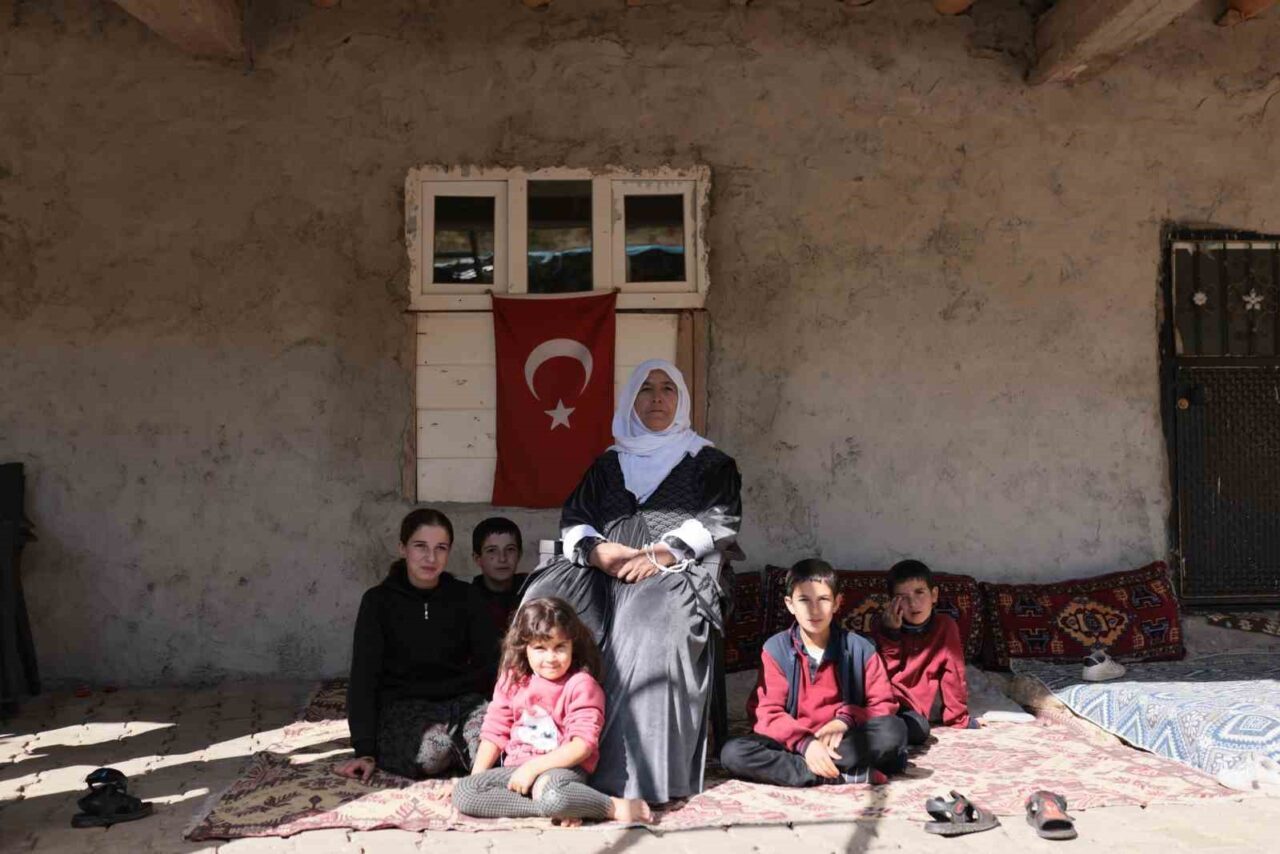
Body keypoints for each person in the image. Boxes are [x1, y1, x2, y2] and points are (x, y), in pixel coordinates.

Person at [521, 358, 742, 804]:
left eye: (667, 389)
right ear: (630, 400)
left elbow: (721, 519)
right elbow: (576, 518)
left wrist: (663, 552)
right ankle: (534, 752)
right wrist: (596, 551)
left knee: (647, 621)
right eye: (646, 389)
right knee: (546, 604)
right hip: (604, 567)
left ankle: (628, 775)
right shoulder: (608, 464)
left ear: (681, 400)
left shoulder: (709, 462)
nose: (657, 398)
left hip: (675, 567)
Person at [452, 598, 651, 825]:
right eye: (540, 648)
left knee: (554, 793)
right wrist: (477, 778)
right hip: (517, 769)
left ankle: (611, 807)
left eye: (560, 647)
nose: (550, 658)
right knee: (465, 793)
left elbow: (582, 745)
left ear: (573, 645)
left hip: (561, 770)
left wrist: (533, 768)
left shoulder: (581, 684)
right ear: (524, 647)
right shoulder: (513, 679)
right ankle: (558, 809)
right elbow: (495, 731)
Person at [336, 508, 499, 782]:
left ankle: (466, 756)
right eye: (420, 546)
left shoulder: (467, 597)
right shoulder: (378, 602)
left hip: (461, 702)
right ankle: (453, 751)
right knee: (432, 751)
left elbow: (491, 662)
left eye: (440, 548)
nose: (431, 558)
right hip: (404, 706)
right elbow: (364, 677)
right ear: (403, 548)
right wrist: (364, 750)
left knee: (493, 749)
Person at [719, 559, 907, 787]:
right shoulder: (776, 649)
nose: (814, 610)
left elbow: (884, 704)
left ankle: (808, 770)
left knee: (894, 730)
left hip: (843, 742)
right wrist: (806, 743)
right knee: (733, 753)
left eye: (823, 599)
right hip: (793, 744)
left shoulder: (860, 648)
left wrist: (844, 721)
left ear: (837, 603)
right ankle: (839, 774)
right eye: (804, 600)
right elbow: (767, 712)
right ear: (790, 604)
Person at [873, 559, 972, 744]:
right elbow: (880, 675)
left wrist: (958, 717)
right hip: (882, 699)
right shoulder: (882, 625)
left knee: (918, 730)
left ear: (934, 595)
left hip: (909, 709)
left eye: (920, 592)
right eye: (902, 597)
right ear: (892, 602)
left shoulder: (945, 626)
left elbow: (954, 673)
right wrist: (891, 634)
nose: (913, 603)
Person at [471, 516, 526, 638]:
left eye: (510, 549)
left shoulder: (532, 594)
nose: (502, 558)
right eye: (492, 550)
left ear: (519, 554)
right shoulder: (468, 601)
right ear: (477, 558)